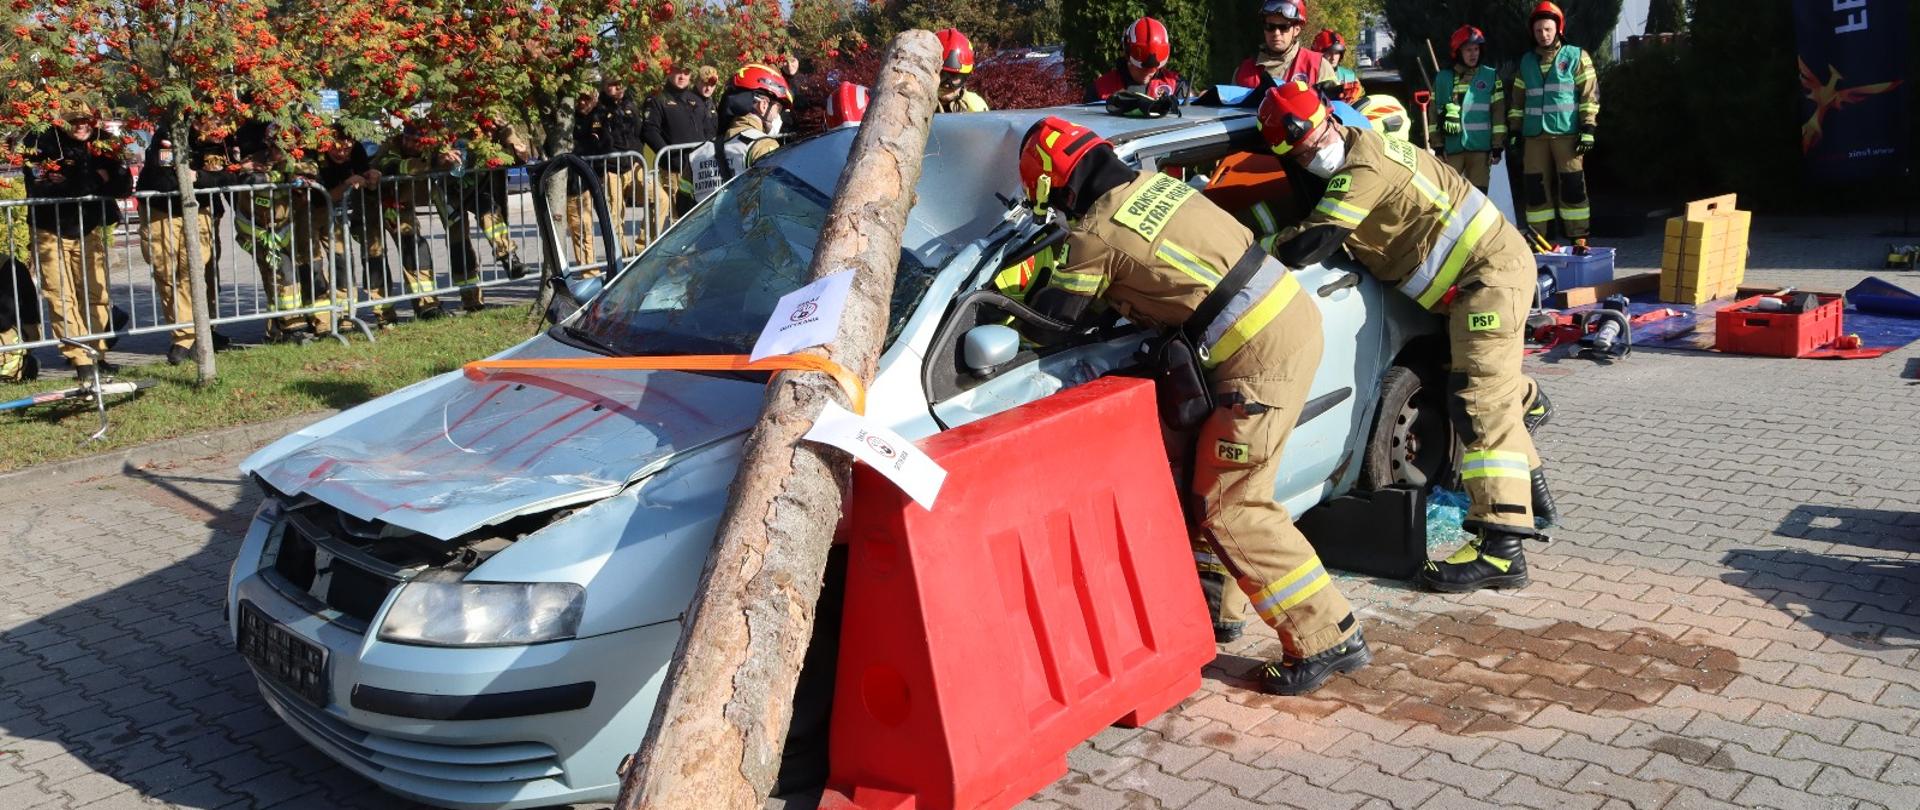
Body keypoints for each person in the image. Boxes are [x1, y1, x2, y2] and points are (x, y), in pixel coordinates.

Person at [1009, 115, 1371, 695]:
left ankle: (1327, 636)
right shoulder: (1157, 186)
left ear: (1055, 186)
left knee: (1230, 504)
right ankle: (1220, 611)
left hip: (1257, 356)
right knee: (1214, 475)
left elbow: (1055, 324)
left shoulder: (1093, 234)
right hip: (1283, 320)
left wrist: (1013, 301)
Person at [1256, 81, 1558, 593]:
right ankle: (1532, 464)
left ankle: (1502, 551)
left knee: (1481, 404)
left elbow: (1312, 242)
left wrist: (1252, 247)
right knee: (1489, 394)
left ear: (1331, 118)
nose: (1313, 153)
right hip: (1473, 280)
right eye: (1301, 153)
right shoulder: (1360, 150)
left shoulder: (1363, 167)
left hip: (1486, 278)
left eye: (1314, 140)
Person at [22, 106, 132, 377]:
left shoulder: (103, 141)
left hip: (89, 228)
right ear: (60, 121)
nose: (81, 125)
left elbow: (123, 185)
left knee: (96, 294)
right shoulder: (40, 142)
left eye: (86, 120)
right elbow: (40, 187)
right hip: (49, 228)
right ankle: (80, 359)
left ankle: (98, 353)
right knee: (60, 296)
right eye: (74, 121)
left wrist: (76, 180)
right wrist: (95, 179)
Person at [230, 120, 336, 341]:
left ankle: (322, 323)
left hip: (293, 230)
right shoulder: (252, 163)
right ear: (269, 145)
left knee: (311, 270)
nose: (287, 153)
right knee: (282, 276)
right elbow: (251, 178)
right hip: (261, 233)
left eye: (291, 148)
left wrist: (288, 174)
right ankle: (289, 328)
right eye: (281, 148)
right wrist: (277, 176)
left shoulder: (301, 161)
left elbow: (310, 170)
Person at [1509, 1, 1599, 250]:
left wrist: (1588, 128)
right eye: (1538, 31)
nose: (1543, 35)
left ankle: (1579, 237)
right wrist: (1515, 130)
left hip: (1567, 135)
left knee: (1573, 186)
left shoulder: (1576, 56)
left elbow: (1589, 95)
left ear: (1558, 28)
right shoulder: (1526, 62)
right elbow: (1517, 101)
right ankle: (1541, 241)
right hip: (1534, 137)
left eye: (1548, 29)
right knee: (1535, 189)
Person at [136, 122, 227, 364]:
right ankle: (185, 336)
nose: (214, 124)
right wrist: (196, 180)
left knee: (193, 274)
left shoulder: (217, 140)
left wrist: (198, 177)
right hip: (161, 213)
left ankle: (197, 335)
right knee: (168, 275)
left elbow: (226, 177)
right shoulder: (170, 133)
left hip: (198, 212)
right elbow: (165, 181)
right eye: (206, 117)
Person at [316, 130, 398, 328]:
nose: (342, 154)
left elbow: (364, 176)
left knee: (374, 254)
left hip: (354, 212)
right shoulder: (316, 155)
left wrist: (372, 176)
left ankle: (384, 312)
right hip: (318, 211)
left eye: (347, 148)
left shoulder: (358, 150)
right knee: (333, 261)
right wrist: (347, 184)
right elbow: (323, 197)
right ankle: (335, 319)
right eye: (336, 149)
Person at [1432, 25, 1507, 194]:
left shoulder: (1491, 76)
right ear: (1458, 51)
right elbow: (1433, 115)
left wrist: (1497, 146)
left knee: (1478, 197)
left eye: (1476, 49)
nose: (1473, 54)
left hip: (1480, 149)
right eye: (1468, 50)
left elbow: (1498, 114)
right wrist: (1437, 146)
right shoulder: (1443, 78)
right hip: (1451, 150)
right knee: (1450, 196)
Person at [643, 64, 718, 222]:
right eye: (678, 71)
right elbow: (649, 131)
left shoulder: (695, 100)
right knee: (678, 218)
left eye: (686, 72)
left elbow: (706, 130)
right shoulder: (658, 99)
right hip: (674, 168)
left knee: (698, 213)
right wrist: (668, 154)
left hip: (696, 167)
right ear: (669, 72)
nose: (682, 76)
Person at [1232, 0, 1338, 92]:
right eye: (1270, 26)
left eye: (1284, 27)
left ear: (1296, 30)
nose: (1276, 33)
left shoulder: (1318, 67)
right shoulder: (1244, 71)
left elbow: (1334, 110)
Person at [567, 88, 614, 271]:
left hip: (595, 177)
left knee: (605, 222)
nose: (582, 102)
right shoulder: (567, 120)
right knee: (581, 227)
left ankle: (613, 265)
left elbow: (604, 144)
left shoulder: (600, 116)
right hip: (573, 182)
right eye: (579, 99)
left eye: (586, 99)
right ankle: (588, 271)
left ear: (594, 99)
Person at [600, 77, 648, 253]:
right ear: (604, 87)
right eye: (611, 84)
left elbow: (639, 133)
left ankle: (641, 248)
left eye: (619, 83)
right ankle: (622, 256)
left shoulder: (631, 105)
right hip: (613, 168)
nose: (617, 87)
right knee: (616, 214)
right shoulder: (600, 109)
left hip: (635, 164)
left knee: (659, 199)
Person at [1086, 17, 1184, 101]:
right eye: (1142, 68)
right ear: (1127, 54)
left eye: (1154, 67)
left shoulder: (1176, 86)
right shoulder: (1101, 89)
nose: (1149, 71)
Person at [934, 28, 989, 113]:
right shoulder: (914, 105)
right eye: (942, 75)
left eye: (955, 76)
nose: (947, 85)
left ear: (965, 77)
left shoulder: (976, 107)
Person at [1311, 29, 1364, 104]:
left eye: (1336, 53)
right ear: (1318, 54)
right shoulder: (1309, 75)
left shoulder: (1349, 76)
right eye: (1329, 53)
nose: (1333, 57)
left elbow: (1360, 105)